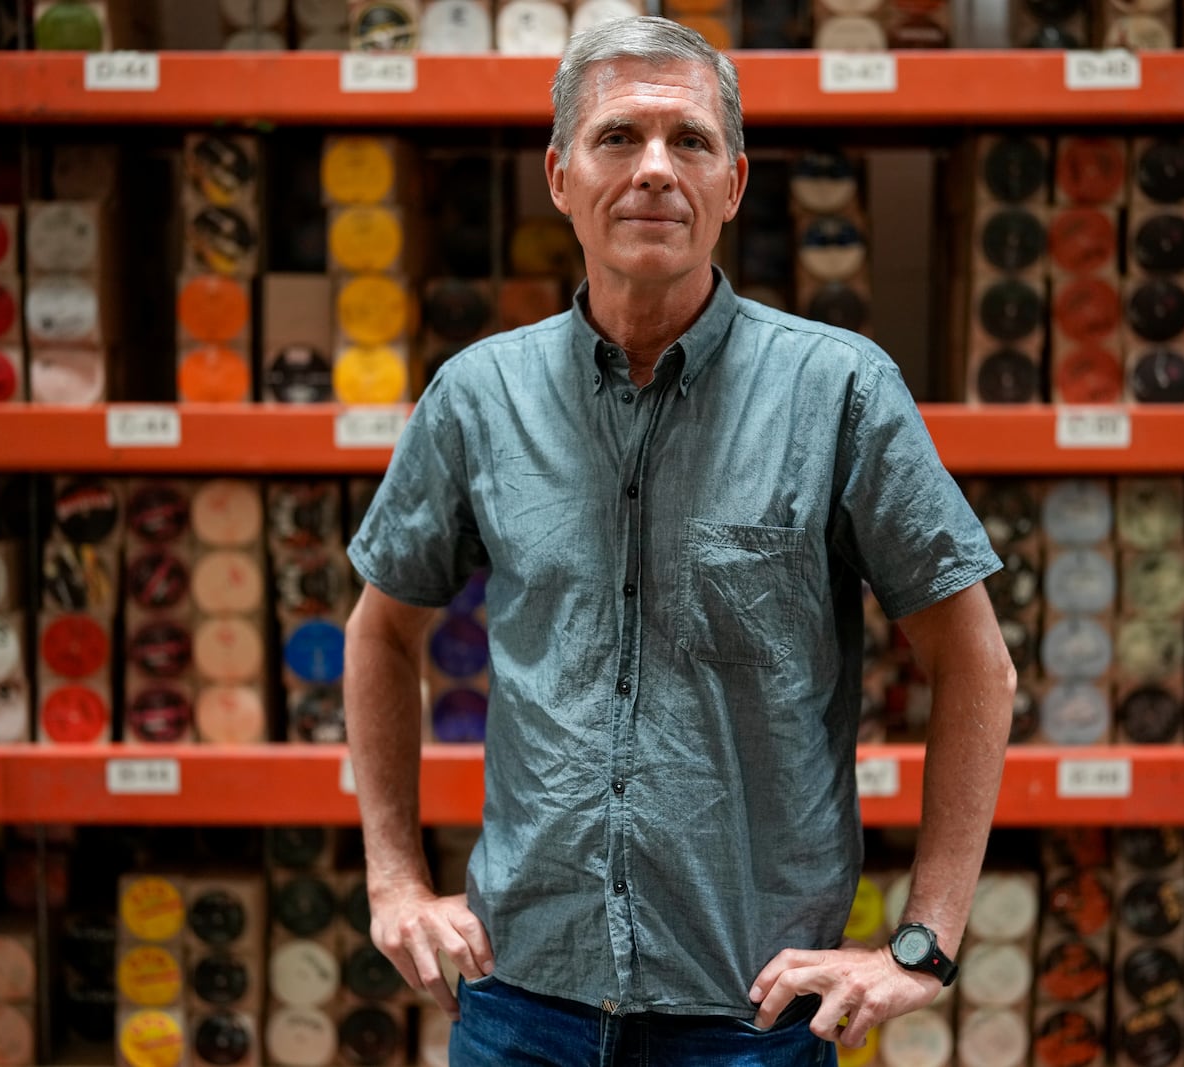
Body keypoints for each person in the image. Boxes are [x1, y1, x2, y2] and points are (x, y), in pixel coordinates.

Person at [344, 15, 1014, 1065]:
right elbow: (381, 632)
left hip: (746, 1021)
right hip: (522, 1003)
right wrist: (392, 877)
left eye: (689, 141)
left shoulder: (838, 391)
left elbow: (974, 660)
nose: (654, 169)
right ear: (560, 175)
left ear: (734, 183)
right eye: (619, 138)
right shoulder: (478, 397)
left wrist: (923, 942)